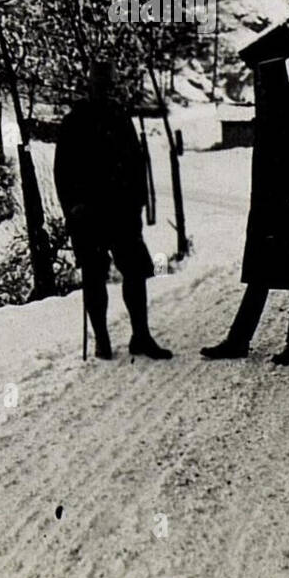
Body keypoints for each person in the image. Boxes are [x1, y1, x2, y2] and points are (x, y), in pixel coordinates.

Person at [202, 58, 289, 366]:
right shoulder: (267, 122)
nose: (262, 93)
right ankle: (239, 341)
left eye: (266, 86)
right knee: (261, 276)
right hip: (270, 215)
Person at [54, 61, 172, 361]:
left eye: (108, 84)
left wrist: (139, 202)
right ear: (90, 85)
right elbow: (63, 172)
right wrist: (73, 208)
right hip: (88, 215)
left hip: (121, 212)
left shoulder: (120, 117)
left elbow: (135, 162)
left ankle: (141, 337)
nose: (104, 89)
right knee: (94, 277)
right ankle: (102, 341)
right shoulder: (74, 122)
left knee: (136, 273)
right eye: (99, 84)